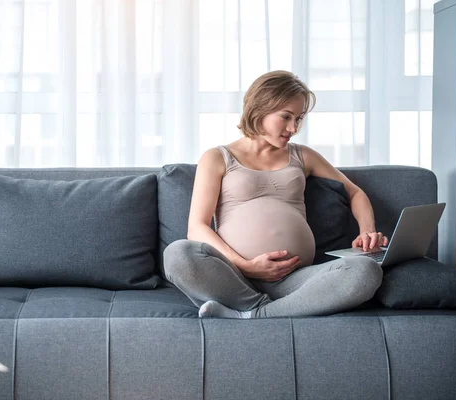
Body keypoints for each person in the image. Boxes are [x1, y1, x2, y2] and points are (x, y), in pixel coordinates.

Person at [163, 70, 388, 319]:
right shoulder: (217, 158)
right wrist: (246, 265)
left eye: (299, 118)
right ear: (260, 108)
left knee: (366, 271)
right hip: (233, 275)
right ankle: (264, 307)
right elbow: (197, 228)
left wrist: (367, 231)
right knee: (177, 254)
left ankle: (254, 313)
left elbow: (354, 192)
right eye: (286, 117)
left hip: (296, 280)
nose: (293, 127)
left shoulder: (303, 155)